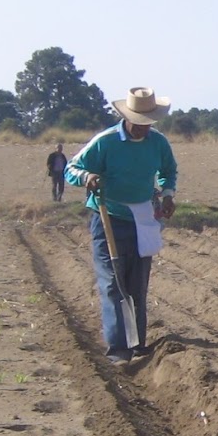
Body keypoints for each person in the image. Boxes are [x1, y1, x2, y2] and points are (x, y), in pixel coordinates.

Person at [65, 87, 178, 365]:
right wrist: (88, 177)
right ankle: (118, 349)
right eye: (138, 123)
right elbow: (71, 169)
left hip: (143, 218)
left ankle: (137, 344)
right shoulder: (105, 142)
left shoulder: (158, 143)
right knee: (113, 283)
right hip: (108, 217)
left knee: (137, 283)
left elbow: (168, 171)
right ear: (126, 118)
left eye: (147, 123)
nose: (142, 128)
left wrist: (167, 194)